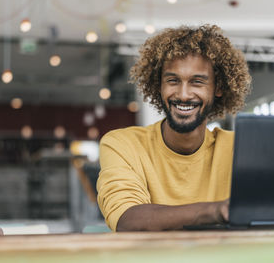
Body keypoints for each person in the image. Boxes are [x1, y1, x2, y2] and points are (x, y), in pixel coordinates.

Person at [97, 24, 251, 231]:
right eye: (173, 80)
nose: (184, 94)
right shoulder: (122, 144)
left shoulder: (239, 149)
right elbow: (128, 221)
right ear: (158, 85)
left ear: (219, 88)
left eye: (197, 82)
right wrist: (216, 211)